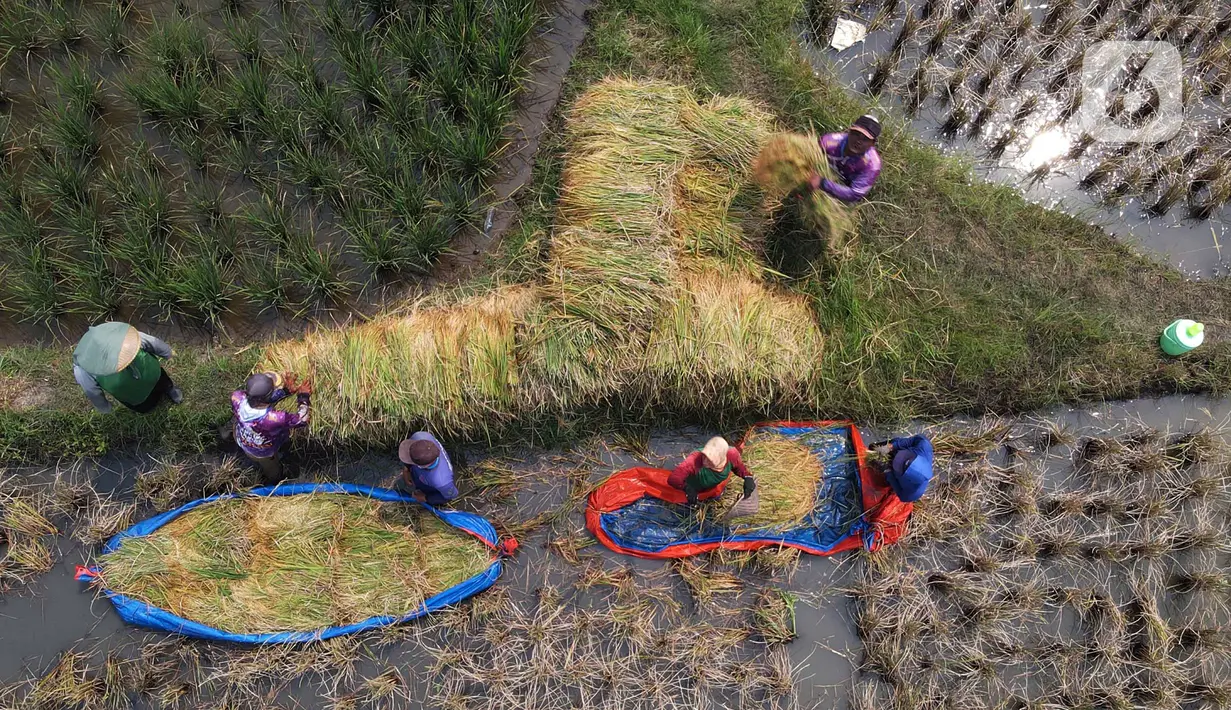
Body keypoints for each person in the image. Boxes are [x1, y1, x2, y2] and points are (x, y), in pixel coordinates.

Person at [73, 322, 182, 414]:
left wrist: (167, 352)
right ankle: (152, 406)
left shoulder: (122, 337)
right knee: (146, 406)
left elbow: (150, 341)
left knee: (164, 382)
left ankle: (171, 390)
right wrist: (104, 407)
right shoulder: (82, 368)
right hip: (131, 393)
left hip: (151, 372)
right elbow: (91, 390)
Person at [231, 372, 311, 483]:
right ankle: (276, 481)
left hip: (241, 438)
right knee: (272, 469)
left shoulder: (236, 397)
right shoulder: (274, 419)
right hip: (262, 453)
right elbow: (302, 420)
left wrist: (285, 392)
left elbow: (258, 400)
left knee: (248, 449)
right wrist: (303, 397)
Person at [806, 114, 883, 203]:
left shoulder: (872, 165)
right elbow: (808, 159)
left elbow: (854, 194)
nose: (858, 141)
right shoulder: (828, 142)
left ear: (872, 143)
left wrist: (823, 183)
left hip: (843, 192)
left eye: (865, 139)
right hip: (822, 174)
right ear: (849, 131)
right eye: (856, 134)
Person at [667, 436, 756, 505]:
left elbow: (738, 467)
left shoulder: (732, 454)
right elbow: (673, 479)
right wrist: (687, 489)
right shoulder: (694, 460)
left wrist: (747, 477)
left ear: (721, 458)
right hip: (695, 489)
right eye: (704, 456)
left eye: (709, 460)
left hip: (713, 487)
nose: (705, 461)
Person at [396, 432, 459, 505]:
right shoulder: (419, 436)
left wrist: (425, 498)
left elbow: (451, 496)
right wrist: (406, 469)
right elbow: (410, 452)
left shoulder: (442, 482)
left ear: (423, 466)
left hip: (431, 485)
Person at [869, 434, 934, 503]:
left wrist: (887, 471)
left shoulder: (911, 494)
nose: (898, 458)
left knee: (880, 478)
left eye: (899, 465)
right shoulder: (924, 446)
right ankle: (873, 448)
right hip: (901, 449)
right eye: (905, 457)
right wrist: (891, 447)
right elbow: (912, 440)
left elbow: (900, 493)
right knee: (894, 442)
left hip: (893, 474)